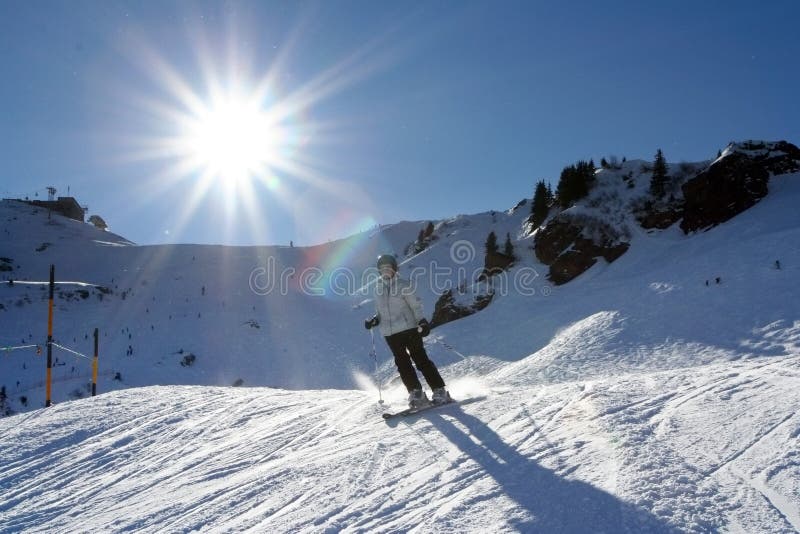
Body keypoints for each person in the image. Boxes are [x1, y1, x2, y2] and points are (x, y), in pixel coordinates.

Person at [364, 254, 451, 408]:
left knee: (420, 359)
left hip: (409, 329)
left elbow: (416, 306)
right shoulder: (377, 289)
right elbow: (380, 312)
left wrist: (422, 321)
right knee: (402, 363)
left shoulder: (404, 284)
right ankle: (416, 392)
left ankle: (439, 390)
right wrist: (375, 320)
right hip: (390, 334)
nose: (385, 271)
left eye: (388, 268)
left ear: (394, 269)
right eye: (382, 268)